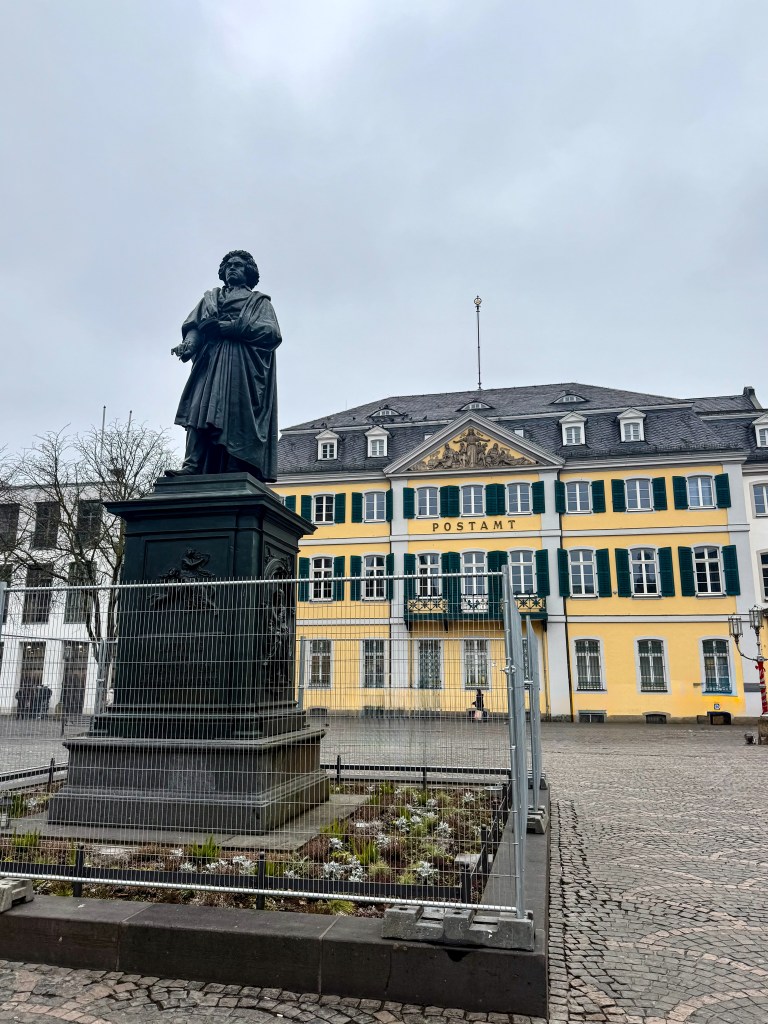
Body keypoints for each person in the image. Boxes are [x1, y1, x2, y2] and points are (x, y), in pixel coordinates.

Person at [167, 250, 281, 481]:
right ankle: (192, 464)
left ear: (248, 271)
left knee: (235, 413)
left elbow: (271, 332)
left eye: (237, 265)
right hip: (210, 363)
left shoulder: (259, 302)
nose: (232, 268)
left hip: (242, 366)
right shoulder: (211, 298)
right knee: (198, 410)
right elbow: (195, 327)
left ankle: (234, 465)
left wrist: (232, 328)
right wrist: (188, 345)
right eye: (228, 266)